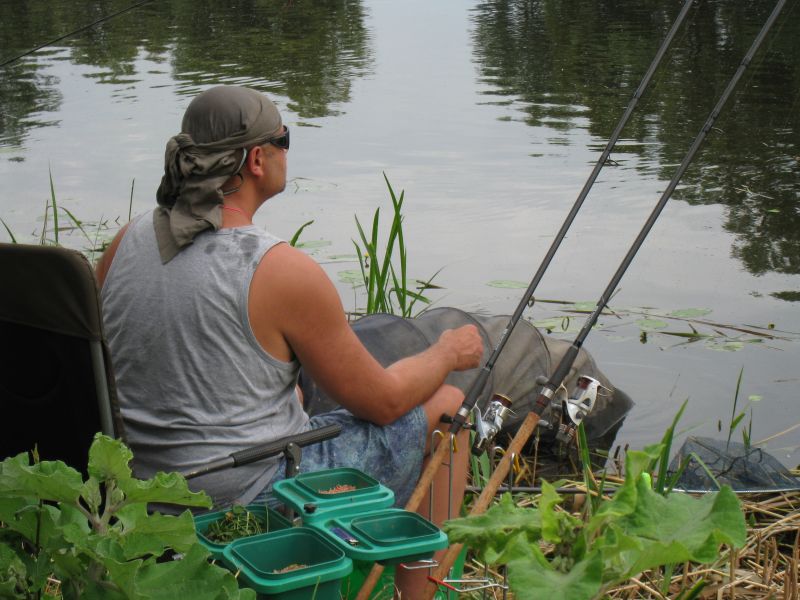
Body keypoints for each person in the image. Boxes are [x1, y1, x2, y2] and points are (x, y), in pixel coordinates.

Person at [96, 85, 482, 595]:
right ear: (257, 160)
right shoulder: (280, 269)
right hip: (242, 493)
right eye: (285, 140)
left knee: (297, 393)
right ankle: (422, 592)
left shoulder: (125, 240)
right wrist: (447, 352)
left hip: (136, 487)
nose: (286, 152)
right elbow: (384, 402)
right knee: (449, 406)